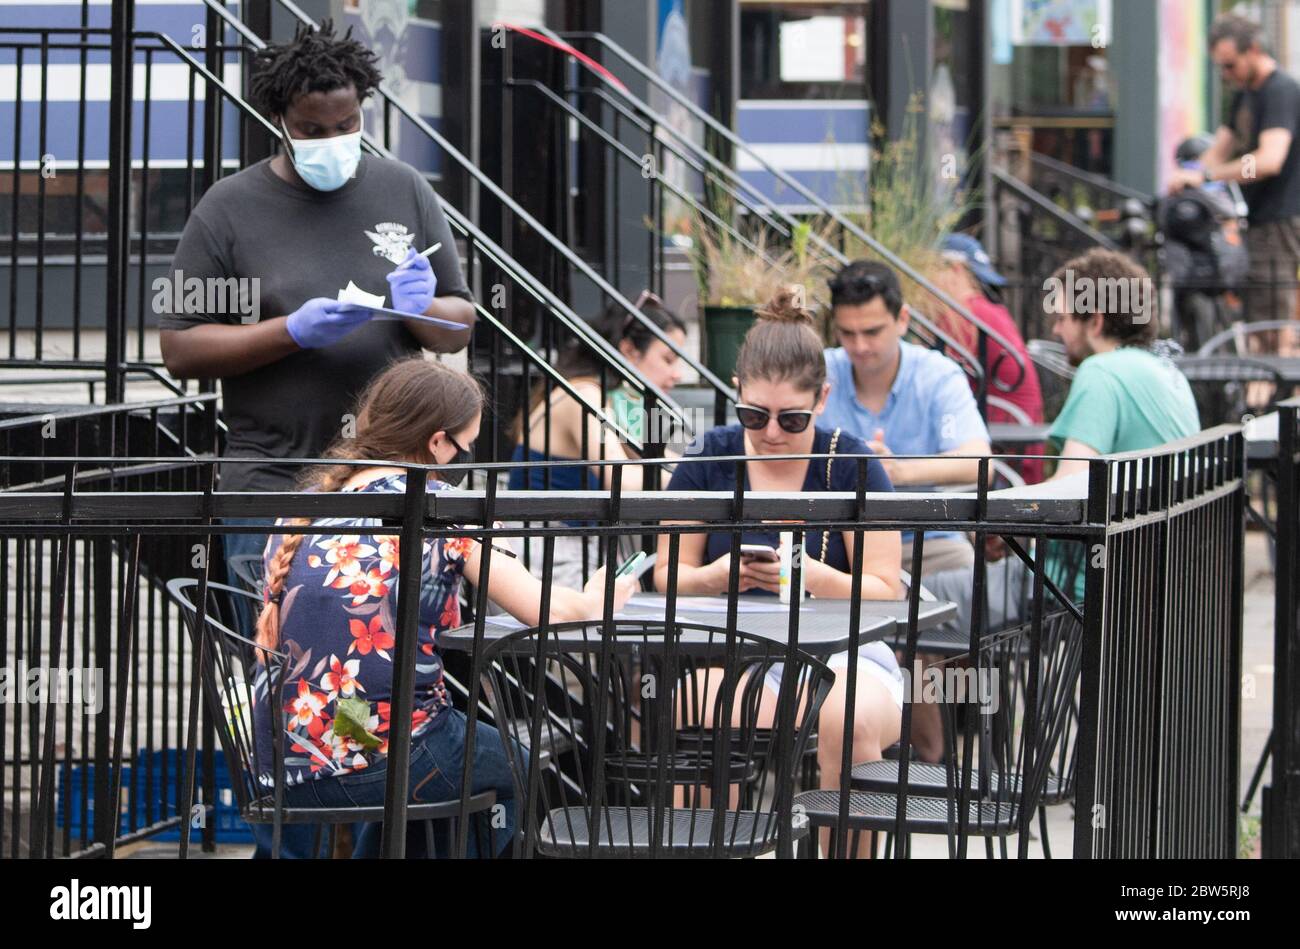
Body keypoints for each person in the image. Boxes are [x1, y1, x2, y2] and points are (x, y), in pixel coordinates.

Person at [156, 21, 477, 646]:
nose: (333, 140)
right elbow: (179, 347)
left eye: (347, 124)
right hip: (272, 482)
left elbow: (458, 328)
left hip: (384, 481)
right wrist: (291, 331)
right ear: (281, 121)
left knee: (379, 668)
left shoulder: (402, 189)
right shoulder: (229, 207)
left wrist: (422, 308)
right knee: (272, 666)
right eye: (313, 130)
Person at [252, 357, 638, 857]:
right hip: (383, 759)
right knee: (517, 767)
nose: (459, 462)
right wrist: (605, 597)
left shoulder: (307, 505)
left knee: (431, 775)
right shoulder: (439, 510)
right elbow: (550, 614)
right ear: (436, 442)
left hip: (282, 764)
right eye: (462, 447)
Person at [918, 249, 1201, 761]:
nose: (1056, 324)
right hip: (1152, 577)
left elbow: (1066, 495)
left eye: (1065, 314)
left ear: (1095, 319)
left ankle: (918, 761)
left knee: (909, 595)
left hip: (1074, 590)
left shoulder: (1102, 374)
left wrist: (1004, 526)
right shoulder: (1168, 374)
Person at [654, 287, 904, 832]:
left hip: (848, 654)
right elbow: (667, 572)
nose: (769, 433)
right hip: (746, 653)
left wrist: (808, 575)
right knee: (694, 706)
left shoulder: (853, 461)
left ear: (822, 398)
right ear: (737, 390)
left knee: (844, 718)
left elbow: (887, 587)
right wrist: (721, 576)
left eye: (791, 420)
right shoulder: (709, 454)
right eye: (753, 414)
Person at [820, 259, 992, 575]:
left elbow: (980, 462)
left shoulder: (936, 375)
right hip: (834, 547)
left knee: (969, 579)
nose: (859, 346)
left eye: (872, 331)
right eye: (847, 333)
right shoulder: (819, 373)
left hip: (923, 541)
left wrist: (895, 472)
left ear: (902, 319)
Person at [509, 295, 688, 587]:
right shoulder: (583, 395)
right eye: (668, 359)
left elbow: (652, 457)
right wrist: (694, 476)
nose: (677, 373)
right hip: (546, 552)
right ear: (628, 350)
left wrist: (698, 470)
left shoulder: (600, 396)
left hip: (568, 547)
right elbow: (620, 478)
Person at [1169, 13, 1300, 348]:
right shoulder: (1245, 94)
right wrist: (1189, 177)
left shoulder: (1281, 91)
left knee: (1270, 320)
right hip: (1256, 219)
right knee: (1257, 316)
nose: (1226, 75)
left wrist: (1210, 175)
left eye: (1230, 65)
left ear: (1253, 50)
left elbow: (1269, 160)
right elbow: (1219, 150)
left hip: (1280, 219)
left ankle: (1277, 393)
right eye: (1221, 68)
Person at [930, 233, 1046, 483]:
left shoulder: (963, 313)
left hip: (1007, 447)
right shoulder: (984, 309)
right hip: (1019, 436)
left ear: (956, 269)